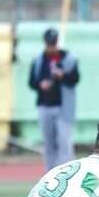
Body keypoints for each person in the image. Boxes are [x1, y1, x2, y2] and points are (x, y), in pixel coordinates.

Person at [29, 28, 80, 171]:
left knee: (64, 143)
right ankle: (50, 175)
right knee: (49, 144)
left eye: (53, 43)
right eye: (49, 44)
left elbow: (75, 78)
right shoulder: (39, 60)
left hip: (63, 108)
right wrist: (41, 85)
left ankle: (66, 174)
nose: (51, 47)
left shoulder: (68, 59)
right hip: (45, 106)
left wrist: (62, 75)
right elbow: (32, 82)